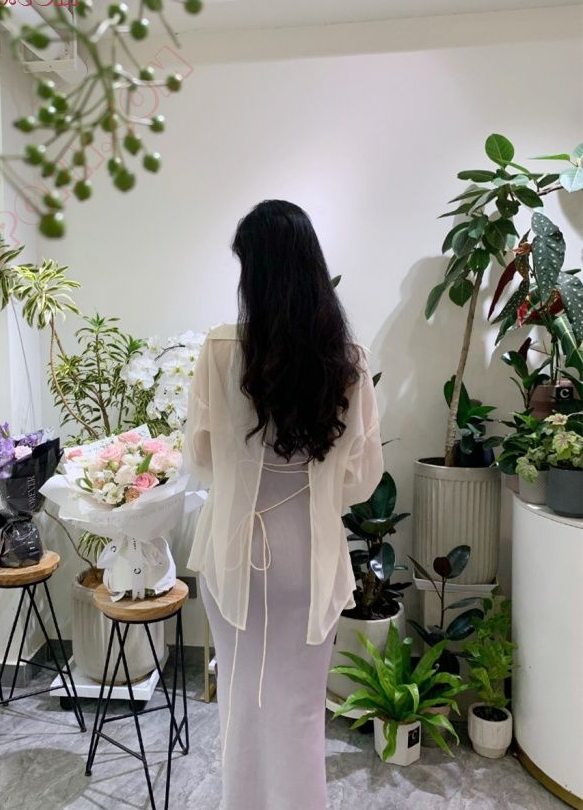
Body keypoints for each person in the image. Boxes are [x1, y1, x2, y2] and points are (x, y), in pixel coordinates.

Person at [184, 199, 383, 810]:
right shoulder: (346, 363)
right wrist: (311, 487)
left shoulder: (221, 350)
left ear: (257, 273)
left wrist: (249, 472)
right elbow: (362, 478)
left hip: (234, 552)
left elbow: (201, 458)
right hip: (308, 556)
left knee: (241, 704)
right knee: (299, 713)